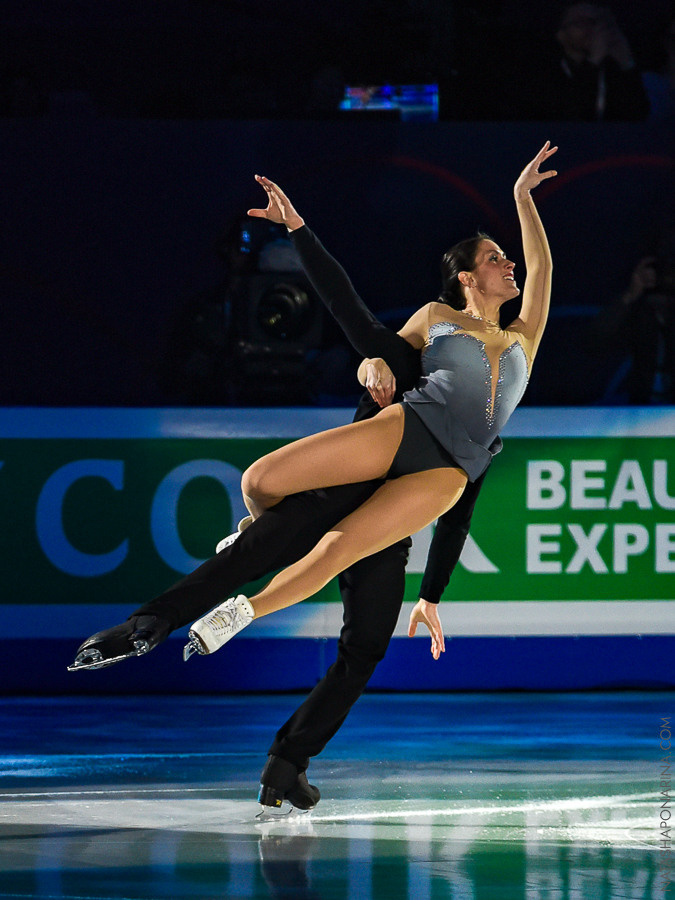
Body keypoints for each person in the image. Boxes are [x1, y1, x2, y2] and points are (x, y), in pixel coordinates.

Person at [70, 142, 556, 810]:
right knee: (263, 484)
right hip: (401, 437)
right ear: (466, 278)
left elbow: (543, 263)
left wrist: (522, 197)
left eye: (507, 256)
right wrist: (299, 232)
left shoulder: (526, 332)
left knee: (357, 619)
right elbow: (355, 319)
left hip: (444, 471)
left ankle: (277, 735)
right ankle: (204, 590)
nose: (509, 265)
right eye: (494, 258)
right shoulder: (433, 321)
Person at [527, 3, 649, 121]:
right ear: (561, 34)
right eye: (581, 22)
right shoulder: (545, 74)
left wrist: (626, 63)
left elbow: (639, 116)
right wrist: (593, 61)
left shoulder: (611, 71)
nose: (591, 29)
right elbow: (571, 117)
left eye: (595, 22)